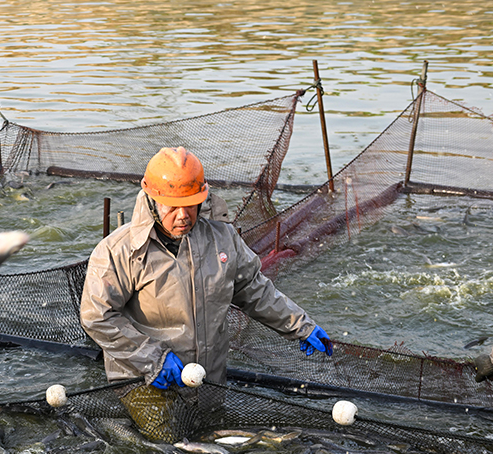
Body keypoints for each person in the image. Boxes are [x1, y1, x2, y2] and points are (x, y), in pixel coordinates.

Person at [80, 146, 333, 439]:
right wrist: (153, 359)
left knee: (215, 450)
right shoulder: (118, 251)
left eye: (190, 204)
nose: (183, 215)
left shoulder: (222, 239)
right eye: (171, 206)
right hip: (145, 381)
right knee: (172, 449)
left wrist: (300, 325)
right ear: (152, 200)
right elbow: (97, 316)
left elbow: (253, 288)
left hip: (209, 383)